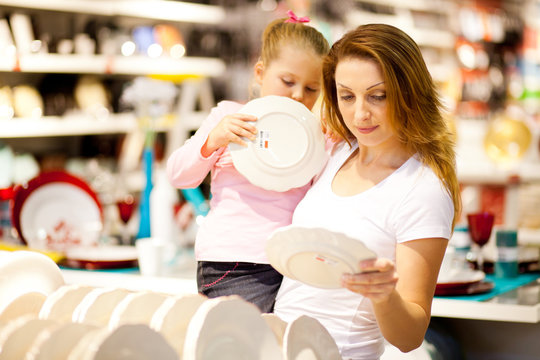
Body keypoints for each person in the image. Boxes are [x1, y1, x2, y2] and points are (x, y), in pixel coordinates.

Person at [273, 23, 462, 359]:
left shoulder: (422, 190)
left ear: (408, 93)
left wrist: (384, 295)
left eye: (378, 96)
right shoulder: (336, 153)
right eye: (347, 96)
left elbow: (410, 336)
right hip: (281, 345)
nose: (360, 114)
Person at [166, 12, 329, 313]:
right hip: (234, 262)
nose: (297, 95)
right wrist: (213, 140)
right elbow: (177, 175)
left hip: (293, 265)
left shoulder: (316, 135)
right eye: (288, 81)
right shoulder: (230, 117)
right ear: (260, 73)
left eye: (311, 88)